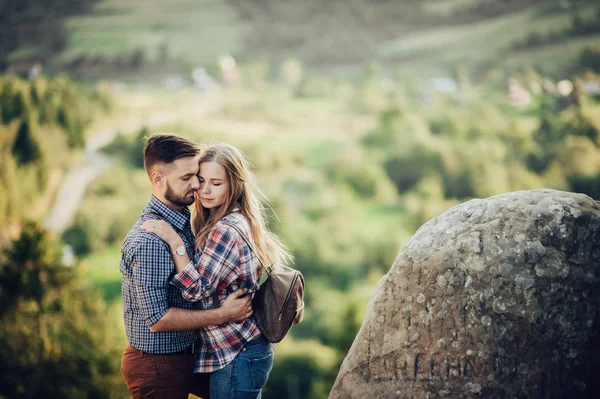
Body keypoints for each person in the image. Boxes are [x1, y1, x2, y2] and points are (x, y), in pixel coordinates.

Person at [141, 143, 292, 399]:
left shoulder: (226, 229)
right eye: (201, 180)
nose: (205, 190)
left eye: (217, 183)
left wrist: (175, 242)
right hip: (241, 349)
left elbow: (195, 290)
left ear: (234, 185)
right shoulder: (232, 219)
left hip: (238, 353)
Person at [120, 134, 253, 399]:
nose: (196, 186)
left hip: (182, 359)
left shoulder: (184, 220)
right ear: (158, 179)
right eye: (187, 178)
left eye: (198, 176)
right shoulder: (151, 241)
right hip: (157, 366)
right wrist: (223, 314)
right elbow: (158, 320)